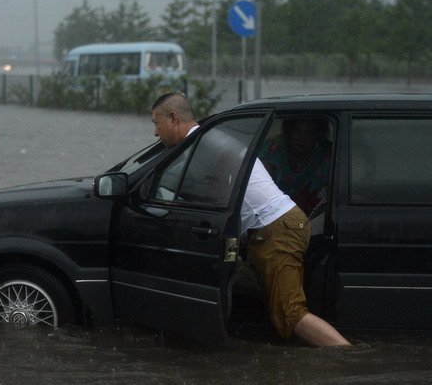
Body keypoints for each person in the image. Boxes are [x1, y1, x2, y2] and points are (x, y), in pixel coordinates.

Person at [150, 92, 351, 347]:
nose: (156, 132)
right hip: (274, 228)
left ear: (173, 118)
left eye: (156, 123)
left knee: (292, 313)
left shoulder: (203, 143)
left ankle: (347, 356)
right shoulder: (207, 139)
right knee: (272, 308)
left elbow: (214, 183)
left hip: (277, 228)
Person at [260, 118, 332, 217]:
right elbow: (261, 188)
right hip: (274, 214)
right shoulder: (273, 148)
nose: (301, 138)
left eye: (309, 132)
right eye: (297, 130)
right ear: (289, 132)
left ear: (317, 136)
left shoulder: (326, 153)